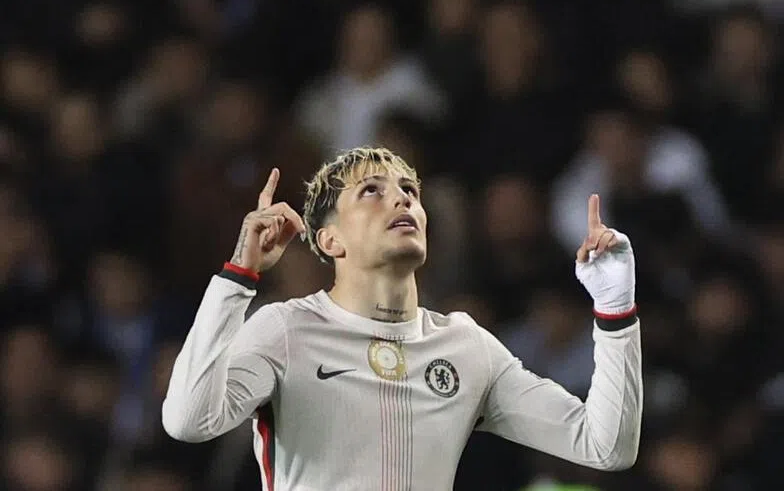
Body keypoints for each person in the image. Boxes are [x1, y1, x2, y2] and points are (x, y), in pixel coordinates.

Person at [161, 146, 642, 489]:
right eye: (371, 190)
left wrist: (615, 308)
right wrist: (237, 276)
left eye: (409, 190)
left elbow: (605, 446)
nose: (403, 199)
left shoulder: (467, 346)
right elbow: (189, 421)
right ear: (330, 240)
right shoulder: (286, 329)